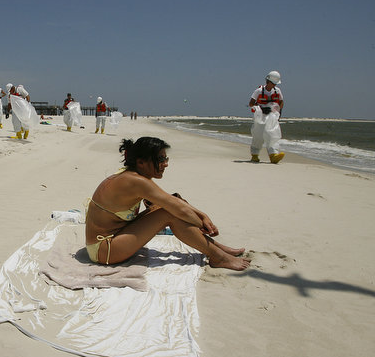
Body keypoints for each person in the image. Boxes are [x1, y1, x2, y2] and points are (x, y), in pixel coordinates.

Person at [85, 137, 250, 270]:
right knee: (169, 213)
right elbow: (177, 209)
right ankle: (218, 257)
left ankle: (217, 248)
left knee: (171, 205)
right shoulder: (134, 181)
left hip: (115, 238)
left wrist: (203, 216)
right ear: (141, 162)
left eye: (166, 158)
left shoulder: (133, 176)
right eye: (161, 159)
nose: (166, 163)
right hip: (104, 250)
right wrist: (205, 225)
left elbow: (172, 201)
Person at [248, 71, 285, 164]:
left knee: (272, 134)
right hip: (260, 116)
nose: (273, 85)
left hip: (272, 116)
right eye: (273, 83)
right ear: (268, 81)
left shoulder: (277, 91)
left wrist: (278, 112)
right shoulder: (259, 91)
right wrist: (260, 109)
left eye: (275, 84)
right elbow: (251, 103)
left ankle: (274, 155)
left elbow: (281, 102)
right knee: (258, 135)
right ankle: (255, 155)